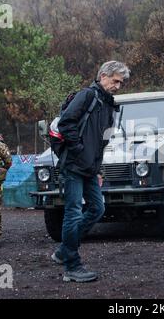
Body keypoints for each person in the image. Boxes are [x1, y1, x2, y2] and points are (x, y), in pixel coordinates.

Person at [51, 61, 130, 283]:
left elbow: (102, 142)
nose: (118, 86)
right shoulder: (87, 96)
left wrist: (98, 168)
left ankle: (64, 250)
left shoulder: (108, 105)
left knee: (97, 208)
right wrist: (79, 151)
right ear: (103, 76)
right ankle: (71, 266)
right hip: (74, 166)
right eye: (115, 81)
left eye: (121, 83)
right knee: (73, 211)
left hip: (90, 169)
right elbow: (66, 123)